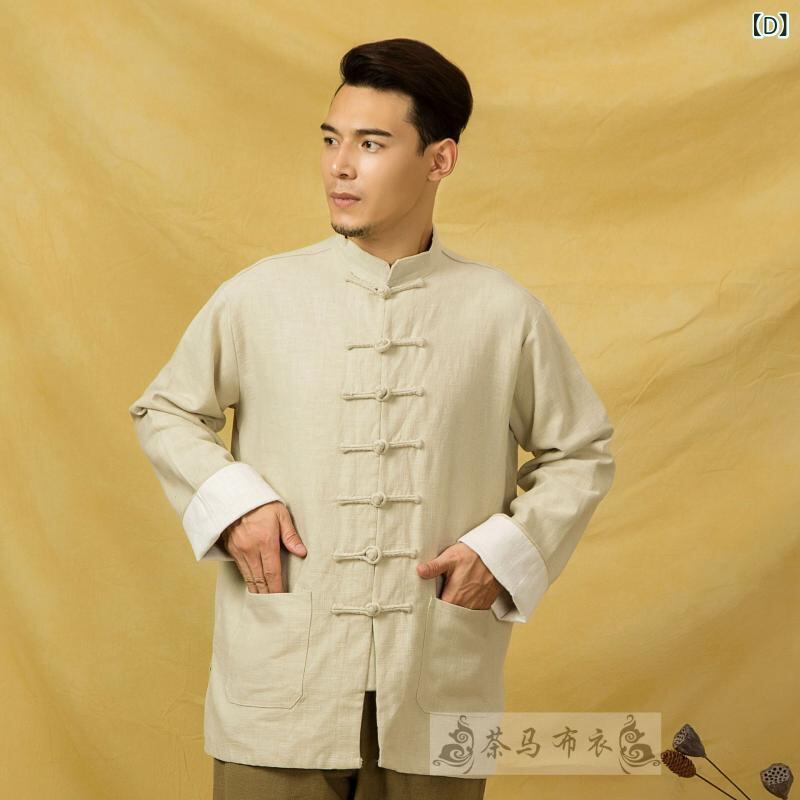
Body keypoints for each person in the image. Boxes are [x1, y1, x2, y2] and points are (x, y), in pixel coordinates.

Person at [128, 37, 616, 800]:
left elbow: (581, 452)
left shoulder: (503, 314)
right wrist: (237, 506)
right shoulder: (259, 297)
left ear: (439, 159)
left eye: (371, 144)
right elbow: (165, 411)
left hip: (438, 688)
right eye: (331, 140)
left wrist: (505, 553)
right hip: (277, 687)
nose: (339, 166)